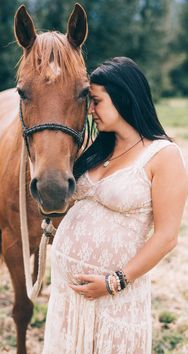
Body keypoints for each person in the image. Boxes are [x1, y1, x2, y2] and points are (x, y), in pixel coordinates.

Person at [42, 57, 187, 354]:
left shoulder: (164, 155)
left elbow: (166, 237)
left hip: (113, 299)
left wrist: (114, 282)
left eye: (96, 101)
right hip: (67, 296)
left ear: (123, 97)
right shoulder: (97, 149)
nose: (90, 110)